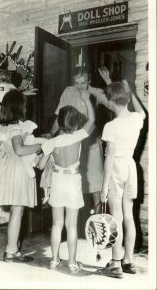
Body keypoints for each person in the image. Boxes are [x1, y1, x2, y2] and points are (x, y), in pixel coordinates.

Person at [49, 67, 112, 234]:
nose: (79, 86)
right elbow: (59, 118)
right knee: (75, 189)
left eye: (82, 83)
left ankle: (97, 229)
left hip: (91, 146)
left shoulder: (96, 92)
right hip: (71, 147)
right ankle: (73, 229)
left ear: (89, 80)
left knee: (95, 187)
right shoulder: (68, 92)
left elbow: (114, 103)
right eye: (76, 83)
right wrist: (50, 134)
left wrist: (108, 82)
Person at [39, 92, 95, 273]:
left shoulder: (52, 142)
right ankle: (71, 262)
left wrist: (45, 154)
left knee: (57, 224)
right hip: (72, 181)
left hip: (57, 180)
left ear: (60, 123)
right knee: (72, 225)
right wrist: (86, 99)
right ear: (76, 123)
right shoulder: (77, 136)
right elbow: (92, 121)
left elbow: (40, 166)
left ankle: (54, 260)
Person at [95, 81, 146, 279]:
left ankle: (115, 264)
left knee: (115, 218)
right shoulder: (135, 119)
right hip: (130, 167)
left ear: (110, 102)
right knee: (128, 216)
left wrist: (103, 187)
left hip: (116, 169)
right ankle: (128, 260)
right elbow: (142, 112)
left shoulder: (111, 126)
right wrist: (131, 92)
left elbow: (109, 158)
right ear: (126, 99)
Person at [0, 89, 44, 262]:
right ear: (18, 108)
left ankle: (12, 249)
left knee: (17, 211)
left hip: (10, 169)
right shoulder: (15, 128)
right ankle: (11, 251)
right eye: (23, 105)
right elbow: (19, 149)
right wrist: (39, 146)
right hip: (18, 172)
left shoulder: (5, 127)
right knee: (18, 211)